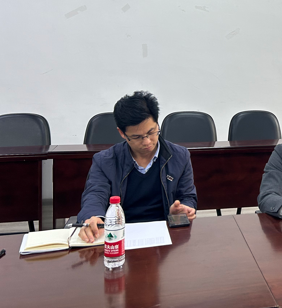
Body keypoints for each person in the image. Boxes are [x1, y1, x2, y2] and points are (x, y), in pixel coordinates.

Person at [78, 91, 198, 242]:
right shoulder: (105, 161)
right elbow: (95, 194)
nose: (147, 142)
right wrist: (93, 217)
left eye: (151, 132)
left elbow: (187, 196)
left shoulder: (179, 156)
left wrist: (181, 211)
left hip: (165, 234)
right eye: (137, 137)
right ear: (122, 133)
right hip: (121, 234)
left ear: (157, 123)